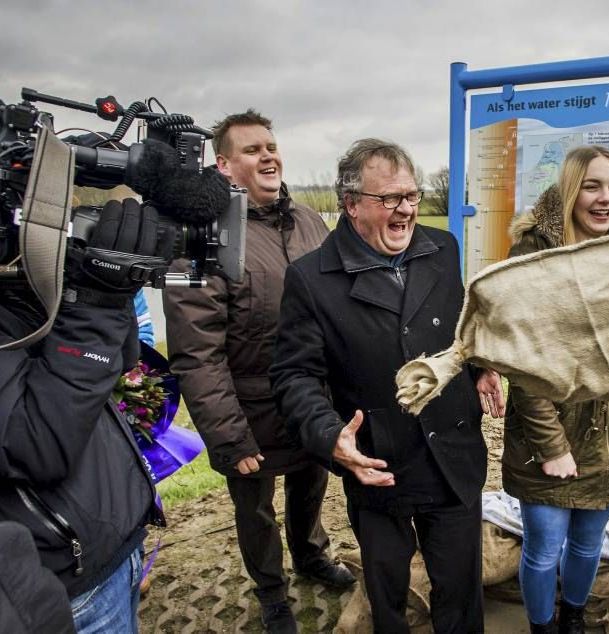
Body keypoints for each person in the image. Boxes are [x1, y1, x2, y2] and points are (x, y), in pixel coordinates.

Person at [270, 138, 496, 633]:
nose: (406, 210)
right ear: (351, 205)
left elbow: (461, 328)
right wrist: (329, 434)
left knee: (460, 592)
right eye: (389, 199)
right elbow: (295, 375)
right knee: (387, 595)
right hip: (378, 462)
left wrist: (480, 364)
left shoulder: (443, 249)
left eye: (411, 196)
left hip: (454, 452)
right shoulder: (311, 279)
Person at [163, 109, 350, 634]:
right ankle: (271, 592)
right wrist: (228, 436)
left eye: (271, 146)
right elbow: (197, 351)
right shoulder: (201, 236)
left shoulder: (310, 220)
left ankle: (312, 557)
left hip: (313, 397)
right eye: (252, 150)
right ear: (223, 166)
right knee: (256, 507)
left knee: (311, 488)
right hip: (249, 405)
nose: (268, 155)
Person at [500, 145, 609, 634]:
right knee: (544, 545)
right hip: (548, 436)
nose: (606, 198)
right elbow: (523, 366)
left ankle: (574, 616)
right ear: (571, 191)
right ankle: (541, 625)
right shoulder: (533, 254)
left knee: (587, 544)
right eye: (593, 186)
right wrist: (552, 447)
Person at [0, 199, 164, 632]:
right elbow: (35, 444)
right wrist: (95, 301)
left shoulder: (14, 271)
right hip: (58, 584)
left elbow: (122, 357)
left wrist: (103, 287)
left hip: (109, 542)